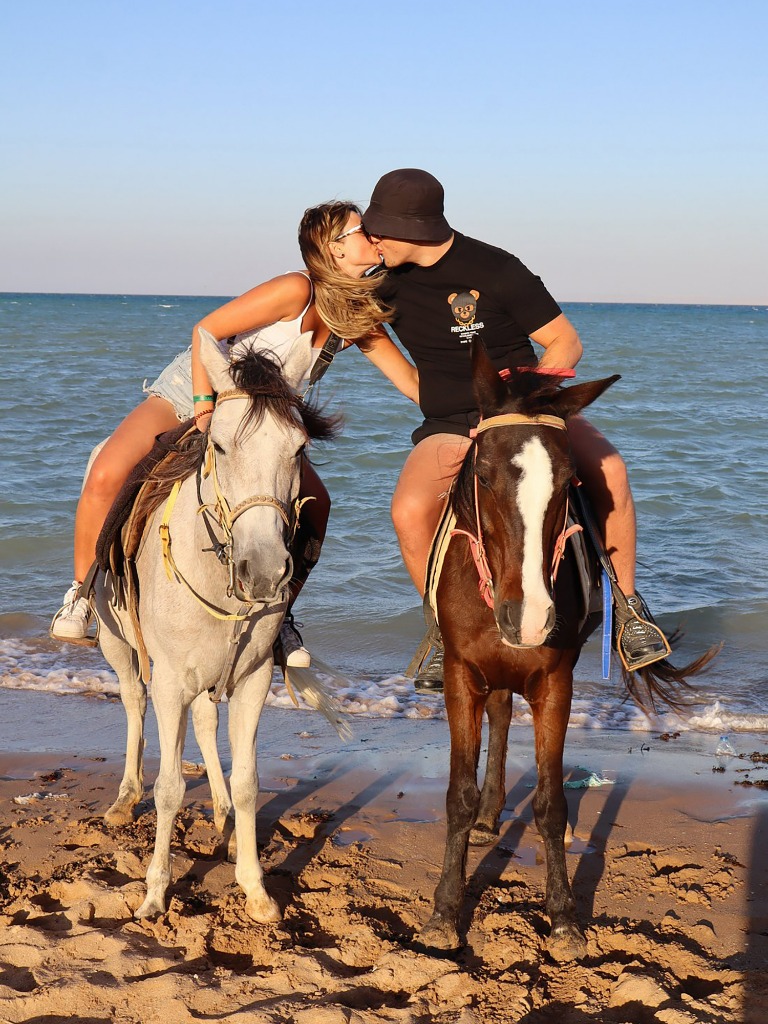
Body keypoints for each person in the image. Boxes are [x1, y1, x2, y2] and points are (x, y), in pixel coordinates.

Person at [51, 202, 420, 669]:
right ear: (333, 246)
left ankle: (281, 615)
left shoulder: (354, 318)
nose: (374, 235)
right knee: (107, 472)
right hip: (193, 391)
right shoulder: (295, 289)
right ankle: (81, 595)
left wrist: (478, 408)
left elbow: (411, 384)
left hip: (258, 424)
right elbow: (207, 331)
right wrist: (205, 408)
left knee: (318, 505)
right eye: (362, 229)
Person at [362, 168, 671, 691]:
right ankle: (440, 632)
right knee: (409, 511)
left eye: (379, 230)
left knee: (612, 469)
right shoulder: (382, 284)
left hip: (522, 412)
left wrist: (527, 398)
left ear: (412, 229)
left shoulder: (498, 268)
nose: (372, 240)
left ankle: (629, 612)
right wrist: (427, 392)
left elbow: (565, 343)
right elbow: (386, 355)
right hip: (451, 423)